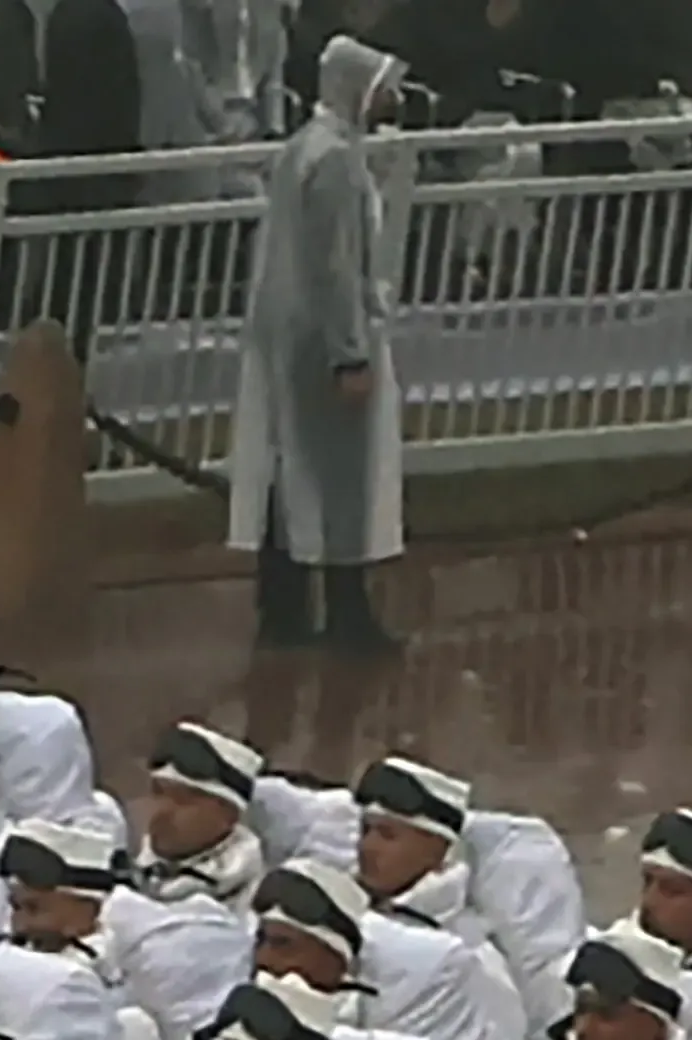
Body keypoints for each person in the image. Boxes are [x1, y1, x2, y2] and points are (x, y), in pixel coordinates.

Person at [234, 36, 404, 654]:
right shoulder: (335, 161)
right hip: (325, 344)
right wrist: (350, 353)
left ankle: (283, 607)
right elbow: (336, 268)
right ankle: (347, 616)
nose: (394, 98)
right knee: (341, 483)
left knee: (293, 474)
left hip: (292, 337)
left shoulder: (302, 150)